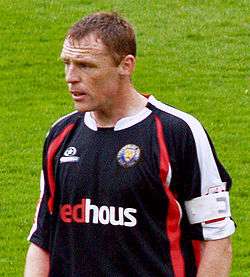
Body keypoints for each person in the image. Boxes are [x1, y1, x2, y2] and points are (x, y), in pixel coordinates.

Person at [24, 12, 235, 277]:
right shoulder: (60, 134)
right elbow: (42, 238)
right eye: (67, 63)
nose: (70, 77)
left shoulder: (177, 132)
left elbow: (216, 239)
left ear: (126, 65)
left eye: (86, 66)